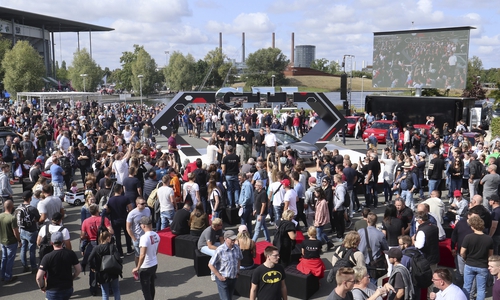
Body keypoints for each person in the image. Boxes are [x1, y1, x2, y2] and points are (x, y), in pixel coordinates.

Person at [36, 231, 81, 300]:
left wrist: (42, 286)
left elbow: (39, 277)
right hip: (67, 288)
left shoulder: (47, 257)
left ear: (51, 242)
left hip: (53, 290)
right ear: (62, 241)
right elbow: (78, 269)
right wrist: (72, 278)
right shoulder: (70, 253)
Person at [461, 215, 494, 300]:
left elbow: (462, 252)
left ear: (472, 226)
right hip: (482, 266)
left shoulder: (468, 237)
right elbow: (490, 255)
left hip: (469, 264)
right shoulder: (489, 239)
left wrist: (465, 258)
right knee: (481, 289)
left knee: (467, 287)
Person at [208, 230, 243, 300]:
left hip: (233, 278)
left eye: (234, 238)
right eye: (232, 239)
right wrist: (219, 276)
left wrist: (238, 271)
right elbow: (210, 264)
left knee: (229, 298)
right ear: (226, 239)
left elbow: (239, 259)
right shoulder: (220, 250)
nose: (234, 240)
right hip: (223, 280)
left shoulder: (237, 248)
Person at [88, 231, 123, 300]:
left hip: (102, 272)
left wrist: (92, 267)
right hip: (113, 270)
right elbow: (118, 258)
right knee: (116, 289)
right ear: (107, 238)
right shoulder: (112, 247)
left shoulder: (96, 248)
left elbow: (89, 259)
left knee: (104, 292)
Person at [132, 216, 160, 300]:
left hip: (146, 266)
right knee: (152, 286)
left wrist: (137, 267)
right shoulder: (156, 235)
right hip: (154, 263)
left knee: (146, 289)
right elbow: (156, 251)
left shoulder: (144, 238)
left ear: (143, 225)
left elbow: (142, 255)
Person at [16, 190, 40, 274]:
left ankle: (25, 266)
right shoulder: (32, 209)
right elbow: (38, 218)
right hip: (31, 231)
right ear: (30, 198)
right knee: (32, 250)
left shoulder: (19, 207)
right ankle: (34, 267)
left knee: (23, 248)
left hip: (22, 230)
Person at [126, 197, 152, 267]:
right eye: (142, 204)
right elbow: (128, 228)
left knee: (147, 254)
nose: (144, 205)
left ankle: (146, 269)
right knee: (138, 255)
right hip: (137, 237)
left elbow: (149, 223)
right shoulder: (132, 214)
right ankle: (138, 269)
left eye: (145, 203)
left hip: (146, 237)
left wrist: (150, 233)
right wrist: (133, 238)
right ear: (137, 204)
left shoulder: (147, 210)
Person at [0, 199, 20, 283]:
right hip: (11, 242)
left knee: (4, 258)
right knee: (10, 260)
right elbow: (15, 231)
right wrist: (19, 240)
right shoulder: (12, 218)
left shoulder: (0, 215)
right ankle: (8, 277)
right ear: (12, 206)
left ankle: (2, 275)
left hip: (2, 241)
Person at [239, 172, 254, 237]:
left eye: (240, 178)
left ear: (244, 177)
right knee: (248, 221)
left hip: (245, 206)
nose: (239, 179)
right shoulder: (246, 184)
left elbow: (247, 196)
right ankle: (249, 235)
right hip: (246, 205)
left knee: (243, 221)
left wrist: (243, 204)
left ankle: (243, 236)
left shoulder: (247, 185)